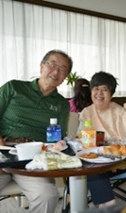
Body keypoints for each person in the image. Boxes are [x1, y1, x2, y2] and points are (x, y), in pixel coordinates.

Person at [0, 49, 72, 213]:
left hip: (34, 156)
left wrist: (56, 148)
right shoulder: (14, 87)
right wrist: (3, 153)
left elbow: (58, 139)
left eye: (62, 69)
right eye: (52, 65)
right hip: (4, 145)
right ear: (41, 67)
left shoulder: (61, 104)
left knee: (47, 195)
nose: (56, 72)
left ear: (65, 77)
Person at [77, 71, 126, 209]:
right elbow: (80, 136)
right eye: (96, 89)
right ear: (91, 91)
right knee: (89, 166)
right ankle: (105, 207)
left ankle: (107, 207)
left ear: (111, 94)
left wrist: (120, 147)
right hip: (96, 160)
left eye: (105, 89)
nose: (99, 93)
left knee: (92, 169)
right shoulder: (86, 112)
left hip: (120, 160)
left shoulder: (120, 112)